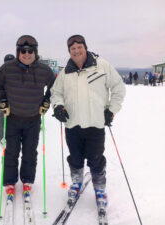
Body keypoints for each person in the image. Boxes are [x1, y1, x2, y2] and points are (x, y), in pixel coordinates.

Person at [50, 34, 126, 210]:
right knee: (75, 158)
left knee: (96, 159)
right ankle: (76, 183)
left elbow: (118, 88)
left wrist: (112, 110)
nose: (76, 51)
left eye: (79, 47)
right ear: (69, 51)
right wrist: (58, 107)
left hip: (95, 124)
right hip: (73, 124)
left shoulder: (102, 66)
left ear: (85, 47)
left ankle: (100, 189)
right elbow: (56, 93)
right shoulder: (65, 72)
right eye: (72, 49)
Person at [0, 35, 56, 198]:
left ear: (35, 52)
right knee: (11, 152)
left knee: (30, 152)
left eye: (30, 51)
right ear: (18, 51)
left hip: (33, 119)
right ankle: (10, 182)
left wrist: (47, 100)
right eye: (23, 51)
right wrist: (3, 99)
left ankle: (27, 180)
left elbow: (55, 86)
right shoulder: (8, 68)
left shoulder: (44, 70)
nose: (26, 54)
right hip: (12, 118)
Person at [0, 54, 15, 142]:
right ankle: (1, 136)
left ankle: (2, 136)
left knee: (4, 117)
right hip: (7, 98)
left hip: (11, 99)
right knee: (5, 117)